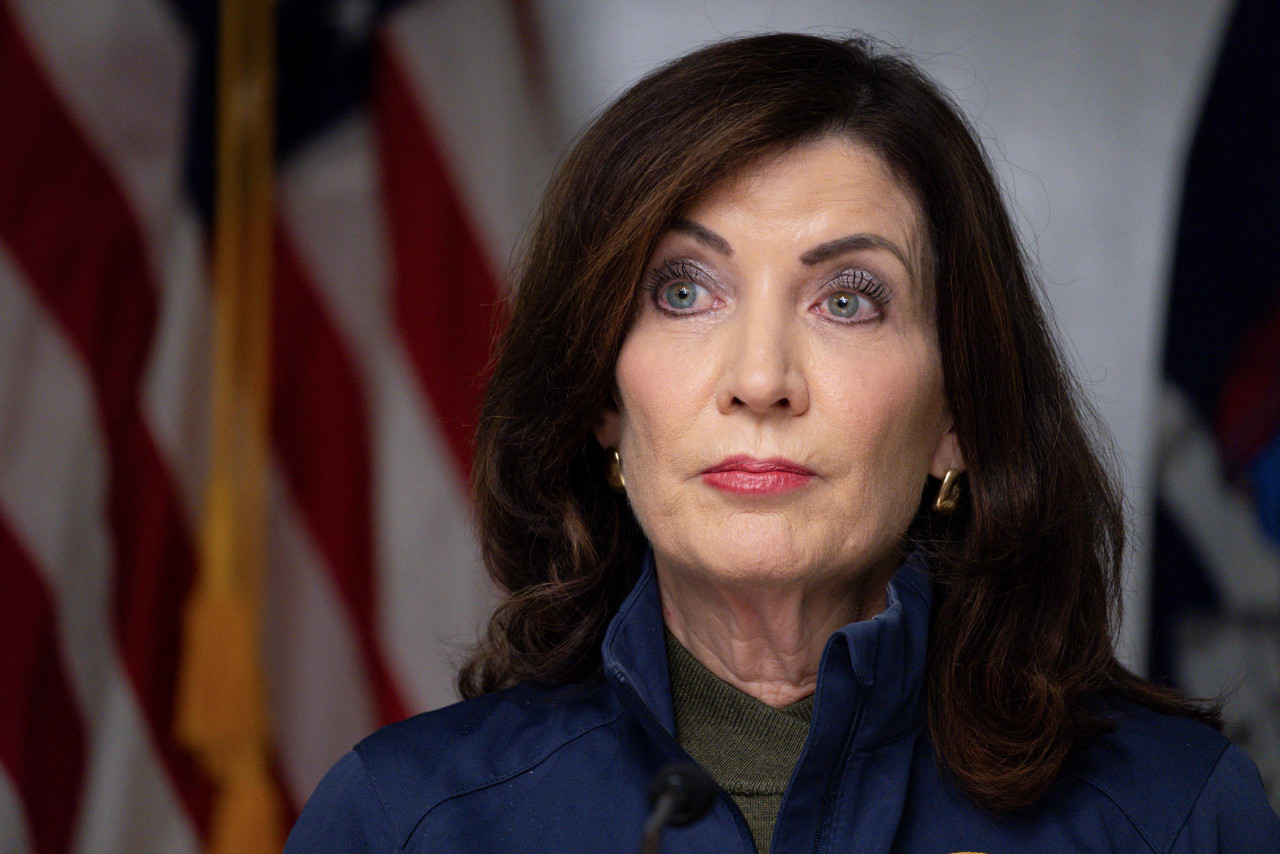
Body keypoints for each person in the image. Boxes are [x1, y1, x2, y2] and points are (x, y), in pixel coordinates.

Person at [285, 32, 1280, 853]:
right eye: (682, 291)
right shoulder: (403, 819)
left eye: (846, 299)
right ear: (601, 400)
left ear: (955, 421)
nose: (759, 379)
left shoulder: (1172, 814)